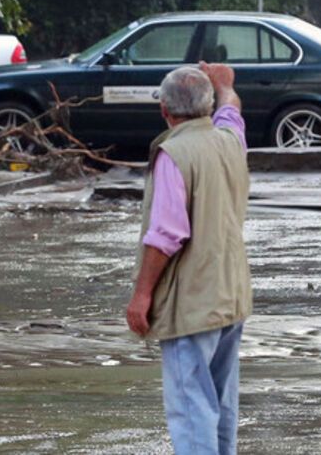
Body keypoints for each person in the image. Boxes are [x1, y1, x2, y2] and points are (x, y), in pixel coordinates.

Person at [126, 62, 251, 455]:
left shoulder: (173, 153)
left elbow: (165, 235)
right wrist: (225, 84)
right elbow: (232, 107)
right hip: (232, 295)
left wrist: (142, 296)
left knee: (191, 404)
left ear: (164, 109)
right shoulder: (230, 138)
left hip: (192, 301)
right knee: (221, 400)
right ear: (208, 105)